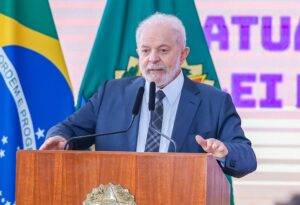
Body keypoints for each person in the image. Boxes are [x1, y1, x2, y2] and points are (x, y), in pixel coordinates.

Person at [40, 13, 257, 178]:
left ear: (183, 54)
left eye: (163, 50)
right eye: (145, 51)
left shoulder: (214, 102)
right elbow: (69, 129)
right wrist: (59, 139)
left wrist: (224, 151)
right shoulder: (111, 94)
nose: (153, 59)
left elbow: (247, 158)